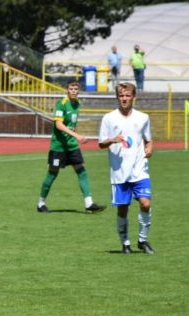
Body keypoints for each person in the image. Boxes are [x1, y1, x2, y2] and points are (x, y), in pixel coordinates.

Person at [98, 82, 154, 255]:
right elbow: (101, 143)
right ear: (117, 97)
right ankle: (126, 243)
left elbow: (148, 139)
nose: (124, 98)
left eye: (127, 95)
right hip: (119, 172)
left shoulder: (143, 117)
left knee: (145, 204)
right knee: (123, 208)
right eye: (121, 95)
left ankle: (143, 240)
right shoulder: (109, 118)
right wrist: (112, 140)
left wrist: (149, 149)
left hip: (139, 169)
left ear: (133, 97)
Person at [36, 80, 105, 214]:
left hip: (72, 146)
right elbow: (59, 125)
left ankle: (89, 203)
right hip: (58, 147)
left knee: (81, 171)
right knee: (52, 173)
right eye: (71, 89)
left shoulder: (77, 103)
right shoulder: (61, 104)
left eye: (76, 89)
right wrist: (77, 136)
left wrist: (74, 137)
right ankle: (41, 203)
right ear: (67, 90)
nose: (74, 91)